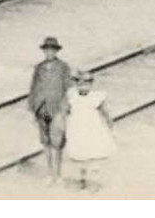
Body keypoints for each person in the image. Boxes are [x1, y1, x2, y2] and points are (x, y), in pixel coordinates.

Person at [28, 36, 72, 184]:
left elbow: (68, 89)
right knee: (46, 141)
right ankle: (49, 173)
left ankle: (58, 174)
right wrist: (33, 108)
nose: (49, 53)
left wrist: (64, 110)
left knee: (57, 142)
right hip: (42, 108)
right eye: (47, 50)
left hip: (56, 108)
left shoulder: (63, 67)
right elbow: (33, 88)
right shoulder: (39, 68)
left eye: (52, 50)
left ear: (56, 51)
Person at [64, 70, 116, 190]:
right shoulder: (72, 97)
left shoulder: (96, 97)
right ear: (76, 85)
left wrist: (111, 126)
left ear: (91, 85)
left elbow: (106, 113)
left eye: (86, 84)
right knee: (80, 154)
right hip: (77, 128)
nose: (83, 87)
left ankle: (94, 181)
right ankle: (82, 178)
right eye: (80, 84)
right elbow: (65, 111)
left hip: (92, 128)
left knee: (93, 153)